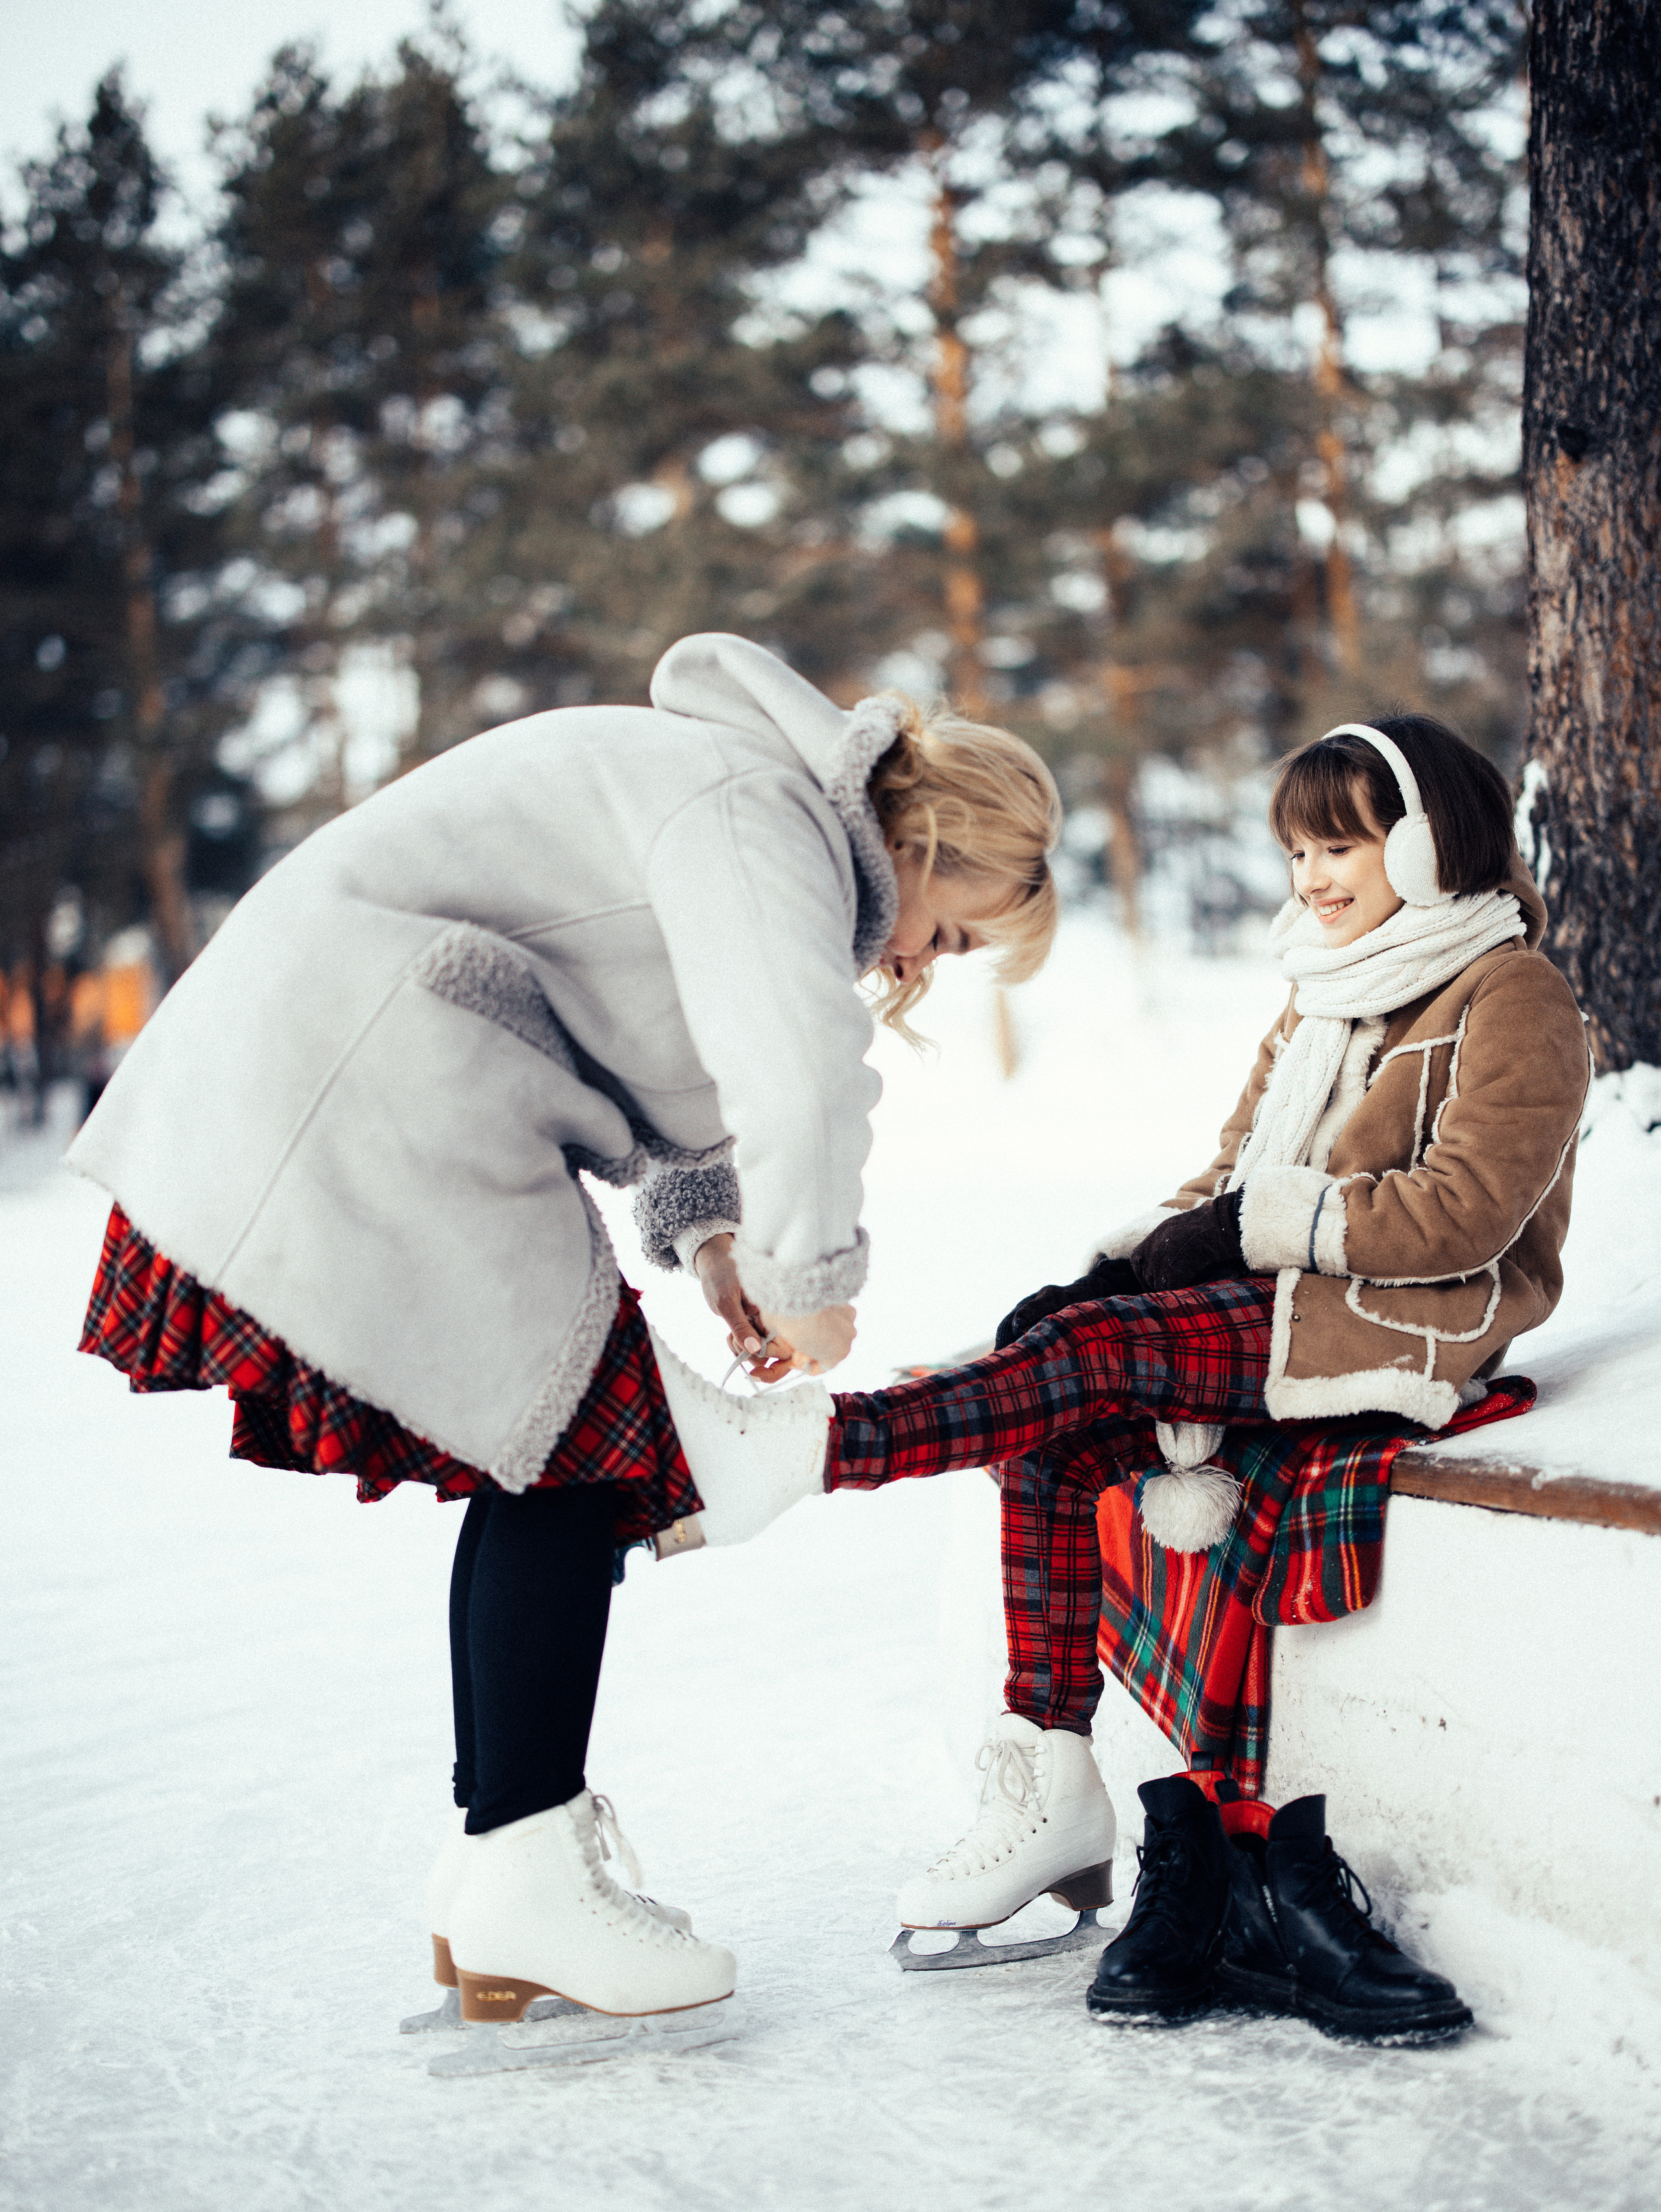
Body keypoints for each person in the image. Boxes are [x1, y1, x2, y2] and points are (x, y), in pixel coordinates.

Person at [71, 632, 1060, 2043]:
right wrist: (809, 1274)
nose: (923, 960)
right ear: (931, 836)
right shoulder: (754, 808)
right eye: (952, 929)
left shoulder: (742, 801)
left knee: (555, 1457)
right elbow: (788, 1057)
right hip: (377, 1071)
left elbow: (675, 1044)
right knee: (567, 1457)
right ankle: (522, 1863)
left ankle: (500, 1858)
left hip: (390, 1066)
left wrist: (716, 1239)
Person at [677, 714, 1591, 2040]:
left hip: (1402, 1321)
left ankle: (803, 1450)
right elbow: (1221, 1180)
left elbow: (1464, 1214)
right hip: (1282, 1297)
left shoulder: (1508, 991)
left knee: (1076, 1361)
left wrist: (1233, 1238)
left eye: (1340, 843)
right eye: (1296, 848)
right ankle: (1050, 1779)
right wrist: (1118, 1264)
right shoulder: (1321, 983)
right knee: (1047, 1410)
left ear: (1423, 837)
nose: (1313, 876)